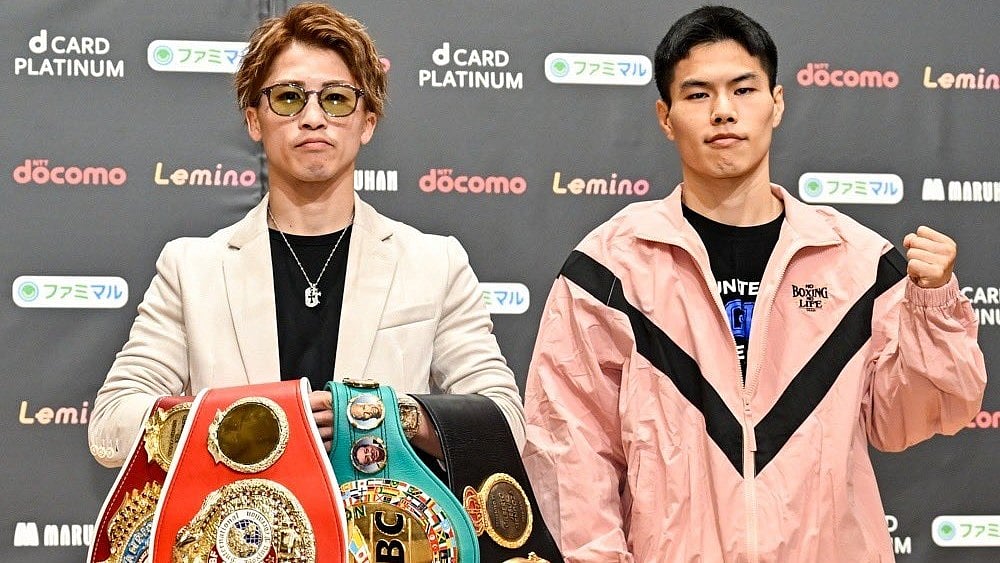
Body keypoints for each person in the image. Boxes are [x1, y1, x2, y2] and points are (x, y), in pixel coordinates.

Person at [522, 5, 986, 562]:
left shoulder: (859, 263)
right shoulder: (609, 271)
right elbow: (569, 449)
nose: (723, 112)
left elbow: (915, 416)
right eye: (697, 95)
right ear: (665, 117)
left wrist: (932, 307)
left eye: (743, 90)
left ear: (777, 104)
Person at [89, 2, 523, 467]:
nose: (313, 117)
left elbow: (504, 423)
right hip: (240, 531)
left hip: (384, 534)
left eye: (336, 98)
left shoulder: (435, 264)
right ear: (255, 120)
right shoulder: (192, 269)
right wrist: (244, 423)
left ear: (367, 123)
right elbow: (112, 425)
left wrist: (386, 416)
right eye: (289, 97)